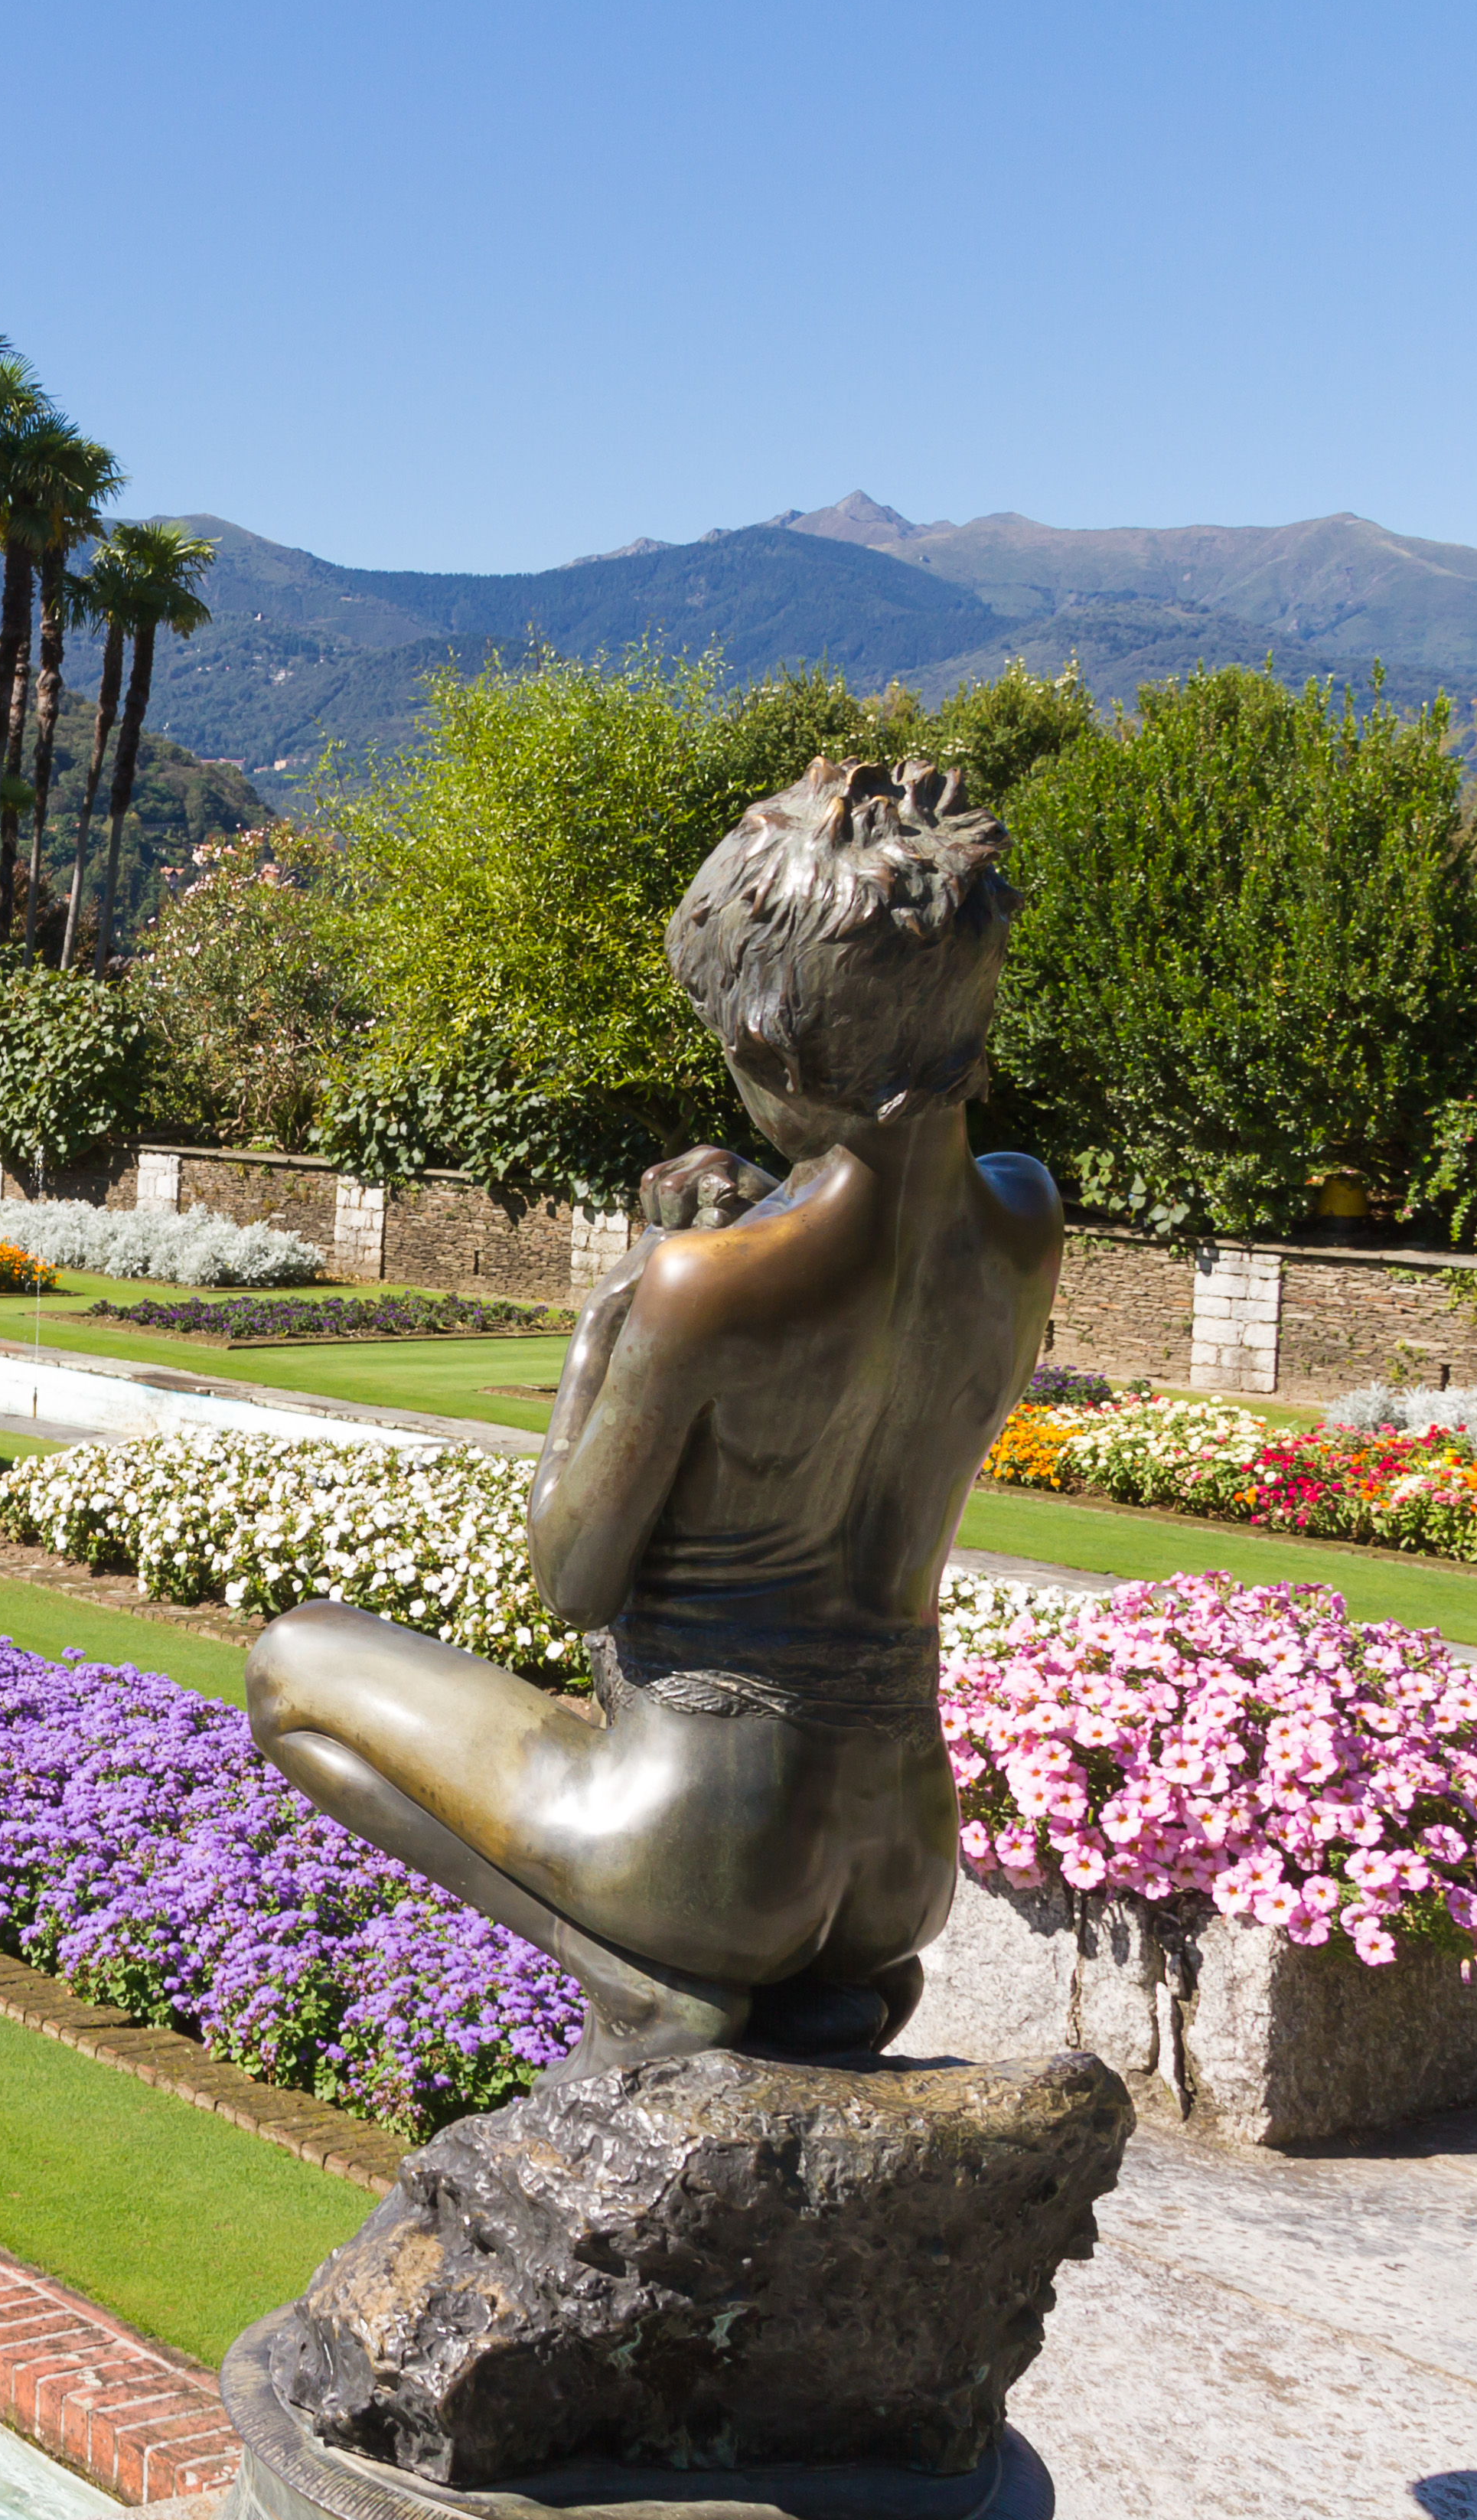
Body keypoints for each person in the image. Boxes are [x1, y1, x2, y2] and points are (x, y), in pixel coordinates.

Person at [245, 757, 1061, 2071]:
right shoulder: (1027, 1219)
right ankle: (826, 1995)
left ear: (764, 1042)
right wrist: (757, 1205)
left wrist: (619, 1307)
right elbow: (872, 1257)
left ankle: (639, 1978)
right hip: (904, 1861)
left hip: (704, 1852)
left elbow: (573, 1577)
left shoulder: (703, 1288)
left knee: (294, 1665)